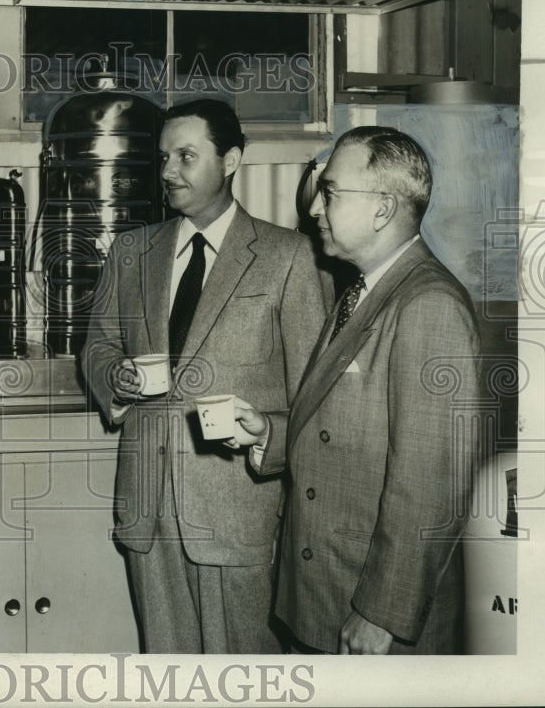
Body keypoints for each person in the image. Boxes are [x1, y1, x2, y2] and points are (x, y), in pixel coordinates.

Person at [81, 99, 331, 653]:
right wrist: (113, 378)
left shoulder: (288, 257)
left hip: (237, 514)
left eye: (187, 156)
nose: (169, 171)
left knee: (244, 680)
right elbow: (97, 344)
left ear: (232, 160)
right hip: (148, 513)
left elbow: (316, 402)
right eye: (165, 156)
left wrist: (266, 431)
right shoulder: (131, 251)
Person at [233, 126, 481, 654]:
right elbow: (342, 425)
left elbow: (430, 486)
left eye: (331, 192)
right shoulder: (364, 293)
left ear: (383, 209)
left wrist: (381, 615)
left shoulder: (428, 306)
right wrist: (271, 435)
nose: (316, 210)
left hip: (370, 614)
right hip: (327, 593)